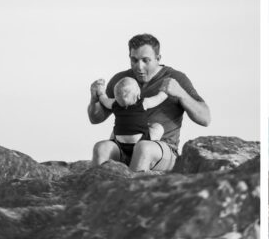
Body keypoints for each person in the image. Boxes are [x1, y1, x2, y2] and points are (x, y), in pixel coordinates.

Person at [87, 33, 210, 172]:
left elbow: (205, 119)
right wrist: (94, 98)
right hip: (123, 147)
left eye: (146, 60)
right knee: (101, 147)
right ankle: (98, 190)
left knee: (143, 148)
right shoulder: (121, 81)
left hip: (161, 150)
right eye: (134, 60)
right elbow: (96, 118)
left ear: (158, 58)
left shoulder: (175, 78)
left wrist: (181, 93)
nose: (139, 66)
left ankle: (130, 190)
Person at [94, 77, 167, 162]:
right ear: (137, 95)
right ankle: (150, 148)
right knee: (158, 127)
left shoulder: (114, 104)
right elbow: (159, 98)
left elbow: (104, 100)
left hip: (120, 144)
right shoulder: (143, 103)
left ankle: (113, 144)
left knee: (114, 130)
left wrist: (101, 92)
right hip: (140, 142)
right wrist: (165, 90)